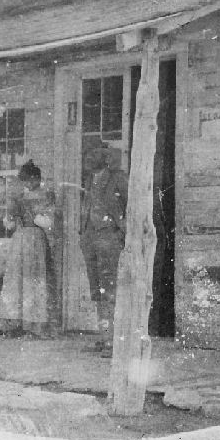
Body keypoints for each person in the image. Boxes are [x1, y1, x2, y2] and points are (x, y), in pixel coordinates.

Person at [0, 160, 57, 337]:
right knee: (15, 282)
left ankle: (35, 326)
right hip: (20, 239)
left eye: (33, 180)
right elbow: (9, 226)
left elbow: (49, 223)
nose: (30, 184)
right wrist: (10, 215)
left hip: (36, 239)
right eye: (26, 181)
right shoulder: (19, 197)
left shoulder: (46, 195)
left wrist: (34, 215)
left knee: (34, 282)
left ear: (39, 179)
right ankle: (14, 324)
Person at [79, 147, 128, 351]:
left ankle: (114, 340)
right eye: (87, 154)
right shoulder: (89, 180)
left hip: (109, 237)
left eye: (94, 153)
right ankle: (105, 335)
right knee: (97, 290)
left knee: (110, 289)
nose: (89, 157)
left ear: (104, 157)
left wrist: (120, 232)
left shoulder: (117, 178)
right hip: (90, 238)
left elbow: (129, 206)